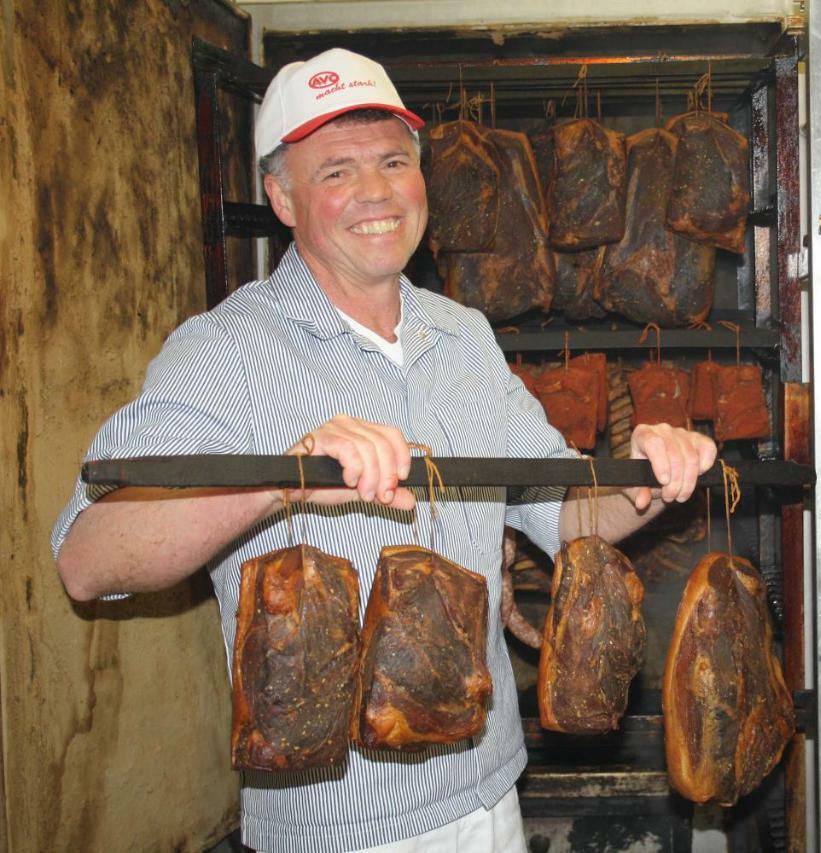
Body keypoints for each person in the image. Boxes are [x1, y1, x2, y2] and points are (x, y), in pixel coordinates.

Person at [51, 48, 716, 853]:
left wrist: (647, 472)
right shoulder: (225, 348)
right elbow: (86, 557)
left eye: (394, 161)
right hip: (341, 828)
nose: (375, 191)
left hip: (492, 795)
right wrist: (282, 481)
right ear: (281, 198)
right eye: (335, 171)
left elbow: (570, 517)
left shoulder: (465, 336)